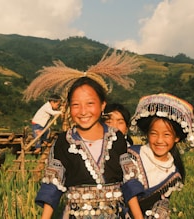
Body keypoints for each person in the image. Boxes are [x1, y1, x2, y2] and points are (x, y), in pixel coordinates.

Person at [24, 49, 142, 218]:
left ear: (102, 105)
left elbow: (129, 183)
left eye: (90, 103)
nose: (83, 111)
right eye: (76, 105)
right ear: (69, 107)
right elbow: (53, 185)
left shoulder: (117, 140)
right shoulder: (64, 142)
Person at [120, 93, 194, 219]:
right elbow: (130, 189)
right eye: (154, 133)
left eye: (166, 135)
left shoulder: (174, 174)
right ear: (147, 134)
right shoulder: (131, 155)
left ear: (176, 138)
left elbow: (161, 203)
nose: (159, 140)